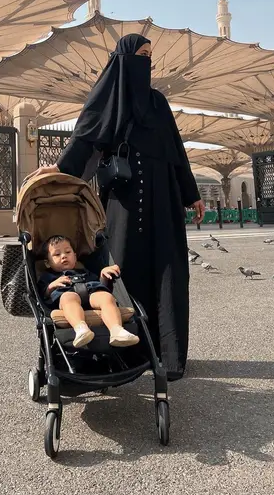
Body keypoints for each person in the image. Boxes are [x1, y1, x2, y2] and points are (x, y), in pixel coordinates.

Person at [28, 34, 205, 380]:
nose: (147, 63)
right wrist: (60, 168)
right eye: (141, 56)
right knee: (124, 270)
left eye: (149, 56)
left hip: (164, 198)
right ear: (124, 61)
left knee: (168, 272)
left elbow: (176, 151)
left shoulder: (158, 103)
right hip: (123, 200)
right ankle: (126, 352)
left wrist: (191, 193)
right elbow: (86, 138)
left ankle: (168, 357)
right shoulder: (110, 102)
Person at [38, 235, 140, 349]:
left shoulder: (84, 271)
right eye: (57, 254)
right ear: (47, 262)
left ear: (75, 256)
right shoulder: (48, 276)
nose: (64, 256)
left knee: (106, 297)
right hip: (67, 295)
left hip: (90, 293)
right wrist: (51, 286)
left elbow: (100, 285)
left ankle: (117, 330)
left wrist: (103, 276)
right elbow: (42, 295)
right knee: (68, 298)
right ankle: (81, 328)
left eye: (68, 252)